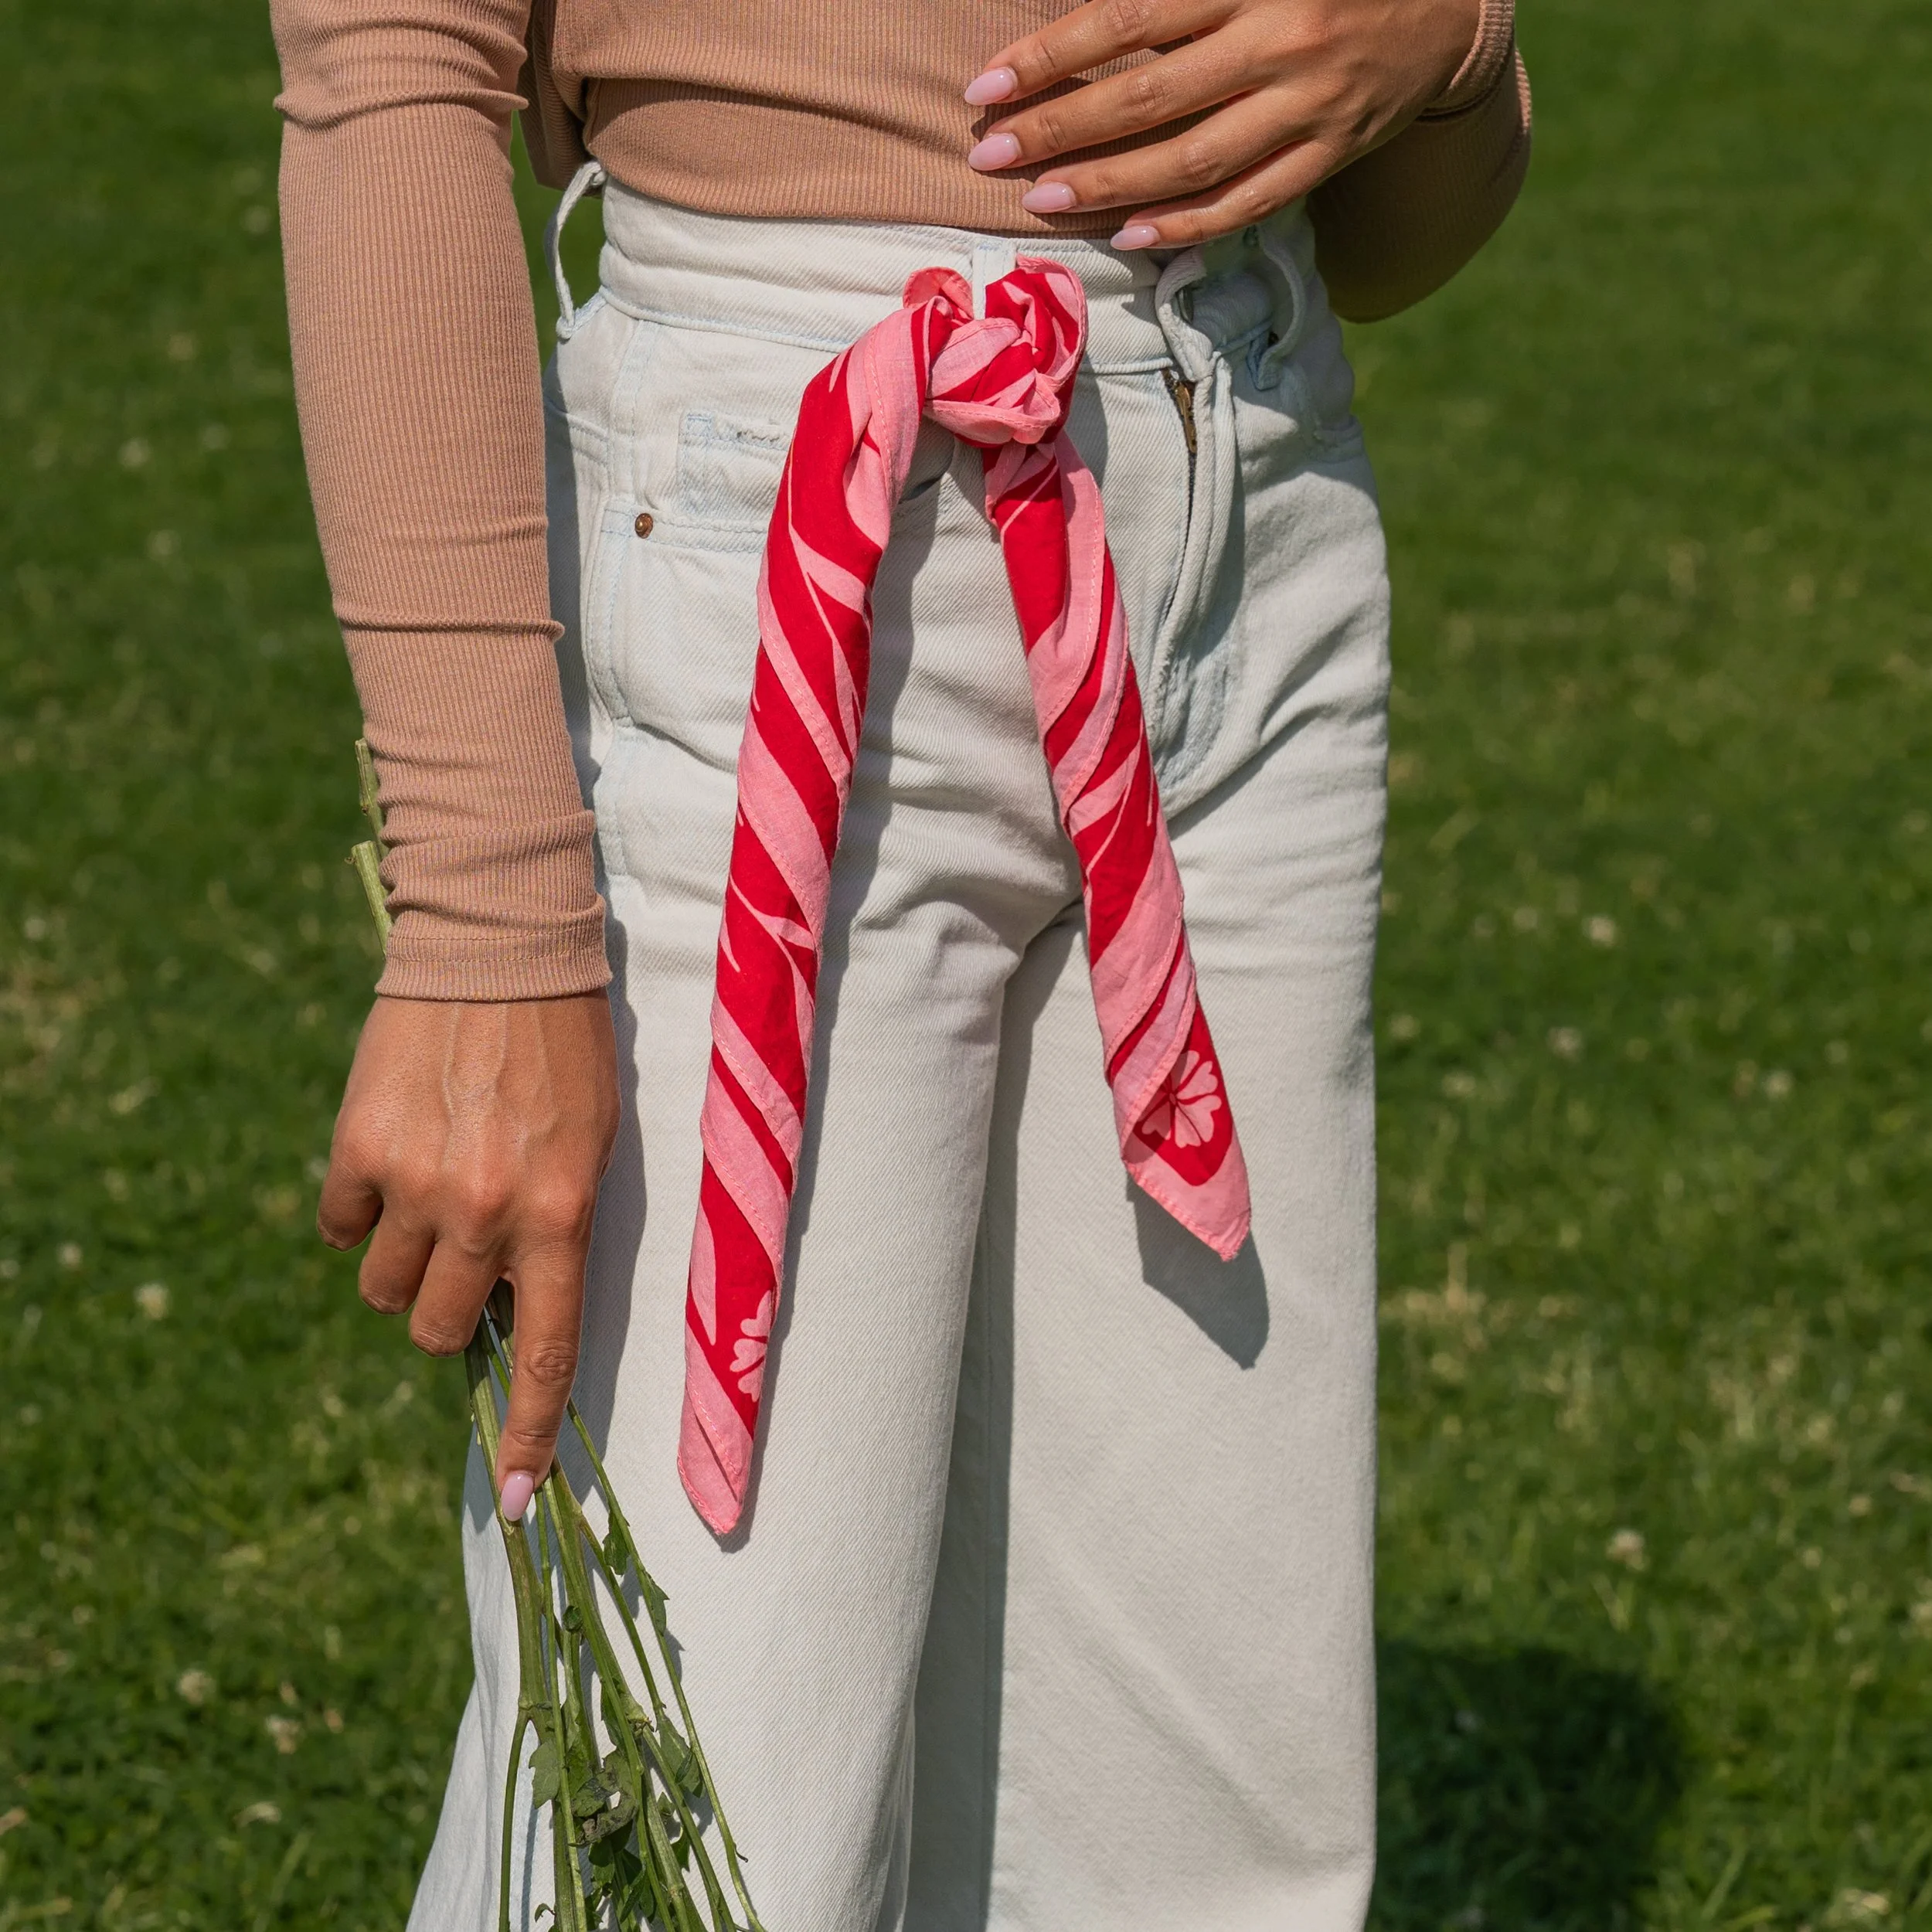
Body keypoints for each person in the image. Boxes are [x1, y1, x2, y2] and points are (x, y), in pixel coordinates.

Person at [273, 1, 1529, 1925]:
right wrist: (485, 914)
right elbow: (392, 59)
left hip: (1247, 507)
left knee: (1195, 1794)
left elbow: (1397, 231)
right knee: (712, 1779)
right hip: (783, 546)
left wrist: (1443, 44)